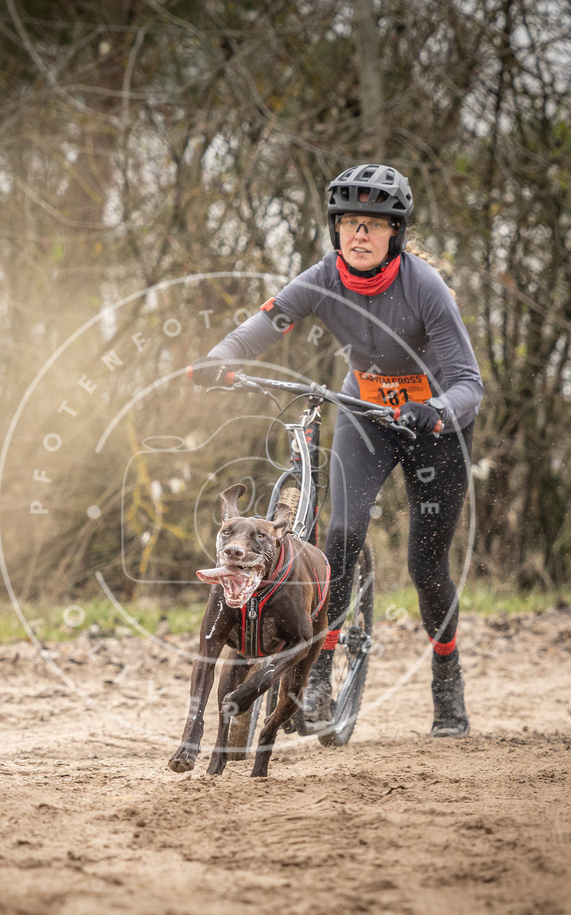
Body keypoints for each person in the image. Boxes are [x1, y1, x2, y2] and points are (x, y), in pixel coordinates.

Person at [192, 163, 483, 737]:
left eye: (374, 225)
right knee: (343, 536)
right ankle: (319, 673)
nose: (360, 235)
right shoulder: (323, 276)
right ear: (336, 230)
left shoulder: (424, 286)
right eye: (350, 223)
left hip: (434, 427)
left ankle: (446, 677)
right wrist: (219, 357)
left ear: (394, 235)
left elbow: (470, 383)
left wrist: (438, 411)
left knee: (427, 567)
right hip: (365, 415)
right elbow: (266, 322)